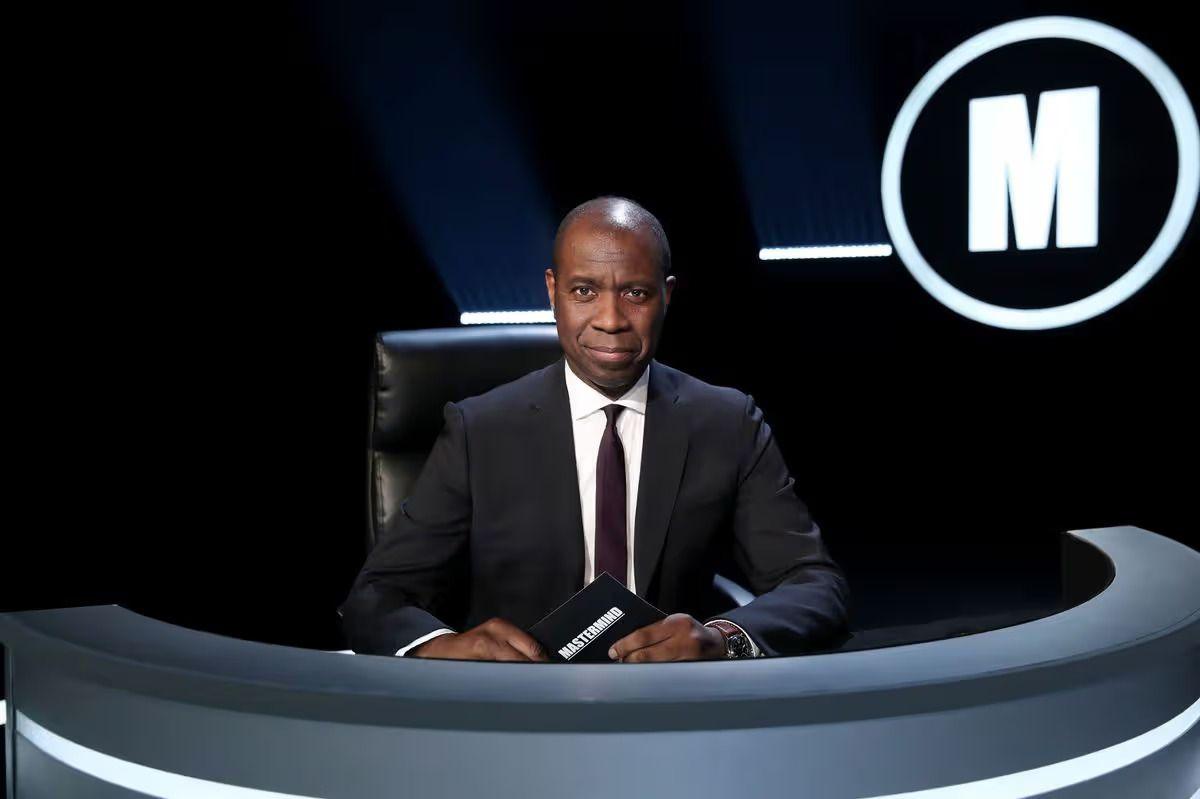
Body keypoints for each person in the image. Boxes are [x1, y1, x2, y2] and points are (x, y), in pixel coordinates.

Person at [340, 196, 849, 661]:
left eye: (636, 293)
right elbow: (377, 597)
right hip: (519, 707)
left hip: (673, 704)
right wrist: (444, 647)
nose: (610, 319)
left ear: (667, 296)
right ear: (552, 290)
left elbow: (814, 583)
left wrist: (724, 637)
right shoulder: (480, 431)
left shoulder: (726, 423)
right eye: (585, 291)